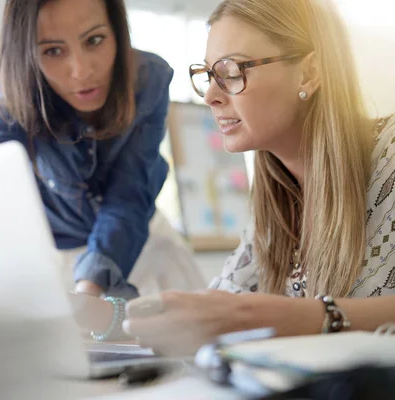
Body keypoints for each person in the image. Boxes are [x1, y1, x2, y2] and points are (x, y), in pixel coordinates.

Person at [119, 0, 395, 355]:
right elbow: (219, 309)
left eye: (231, 72)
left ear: (308, 73)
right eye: (207, 75)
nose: (211, 96)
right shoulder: (274, 208)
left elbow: (247, 313)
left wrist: (310, 316)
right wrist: (105, 316)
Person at [0, 0, 205, 307]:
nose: (81, 72)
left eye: (94, 40)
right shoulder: (16, 97)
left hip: (142, 243)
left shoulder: (148, 79)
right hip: (58, 258)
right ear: (26, 54)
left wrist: (90, 290)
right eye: (53, 51)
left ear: (117, 30)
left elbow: (128, 195)